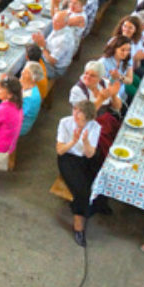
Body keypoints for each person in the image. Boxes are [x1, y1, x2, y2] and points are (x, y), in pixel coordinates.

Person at [56, 100, 101, 247]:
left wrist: (86, 141)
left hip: (86, 158)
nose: (75, 117)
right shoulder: (65, 123)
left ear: (88, 119)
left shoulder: (95, 127)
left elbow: (90, 154)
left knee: (98, 181)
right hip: (68, 158)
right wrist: (73, 141)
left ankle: (96, 206)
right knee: (82, 190)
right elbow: (60, 150)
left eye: (80, 117)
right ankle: (78, 224)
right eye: (75, 112)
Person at [32, 0, 87, 79]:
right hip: (57, 47)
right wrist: (53, 2)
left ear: (83, 5)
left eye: (75, 3)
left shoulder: (80, 18)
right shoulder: (65, 18)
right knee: (32, 48)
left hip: (56, 65)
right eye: (71, 2)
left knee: (32, 55)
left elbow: (52, 61)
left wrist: (42, 46)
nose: (72, 5)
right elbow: (56, 17)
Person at [100, 36, 133, 102]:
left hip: (121, 94)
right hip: (109, 99)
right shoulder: (103, 62)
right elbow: (103, 87)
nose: (125, 53)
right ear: (115, 48)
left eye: (128, 50)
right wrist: (112, 78)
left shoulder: (127, 59)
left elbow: (130, 80)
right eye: (122, 50)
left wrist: (119, 76)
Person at [19, 62, 43, 136]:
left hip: (21, 125)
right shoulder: (26, 84)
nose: (22, 73)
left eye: (26, 73)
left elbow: (19, 115)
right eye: (24, 70)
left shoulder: (31, 98)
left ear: (33, 79)